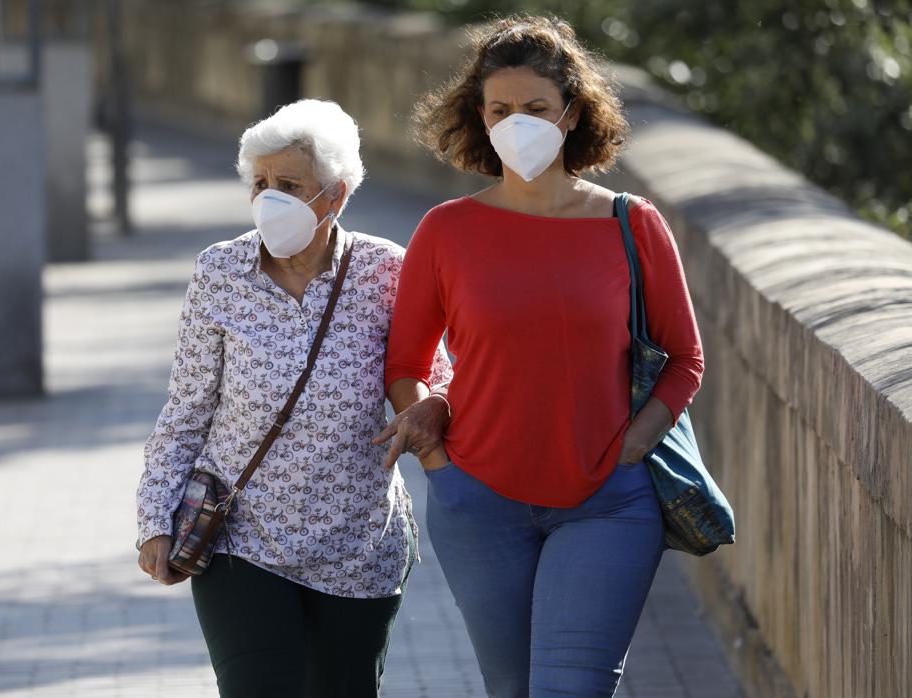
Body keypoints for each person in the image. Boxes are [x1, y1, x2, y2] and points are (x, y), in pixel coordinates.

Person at [377, 15, 705, 698]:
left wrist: (634, 447)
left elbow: (684, 357)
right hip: (477, 504)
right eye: (499, 110)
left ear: (571, 114)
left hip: (607, 503)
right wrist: (440, 464)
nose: (515, 124)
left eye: (534, 108)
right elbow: (404, 363)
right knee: (511, 689)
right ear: (479, 116)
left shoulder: (630, 223)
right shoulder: (446, 231)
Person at [135, 98, 451, 698]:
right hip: (242, 538)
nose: (269, 197)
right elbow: (185, 412)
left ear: (337, 194)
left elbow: (438, 376)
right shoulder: (220, 273)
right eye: (259, 183)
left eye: (289, 184)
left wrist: (433, 407)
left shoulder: (388, 271)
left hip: (358, 546)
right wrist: (155, 521)